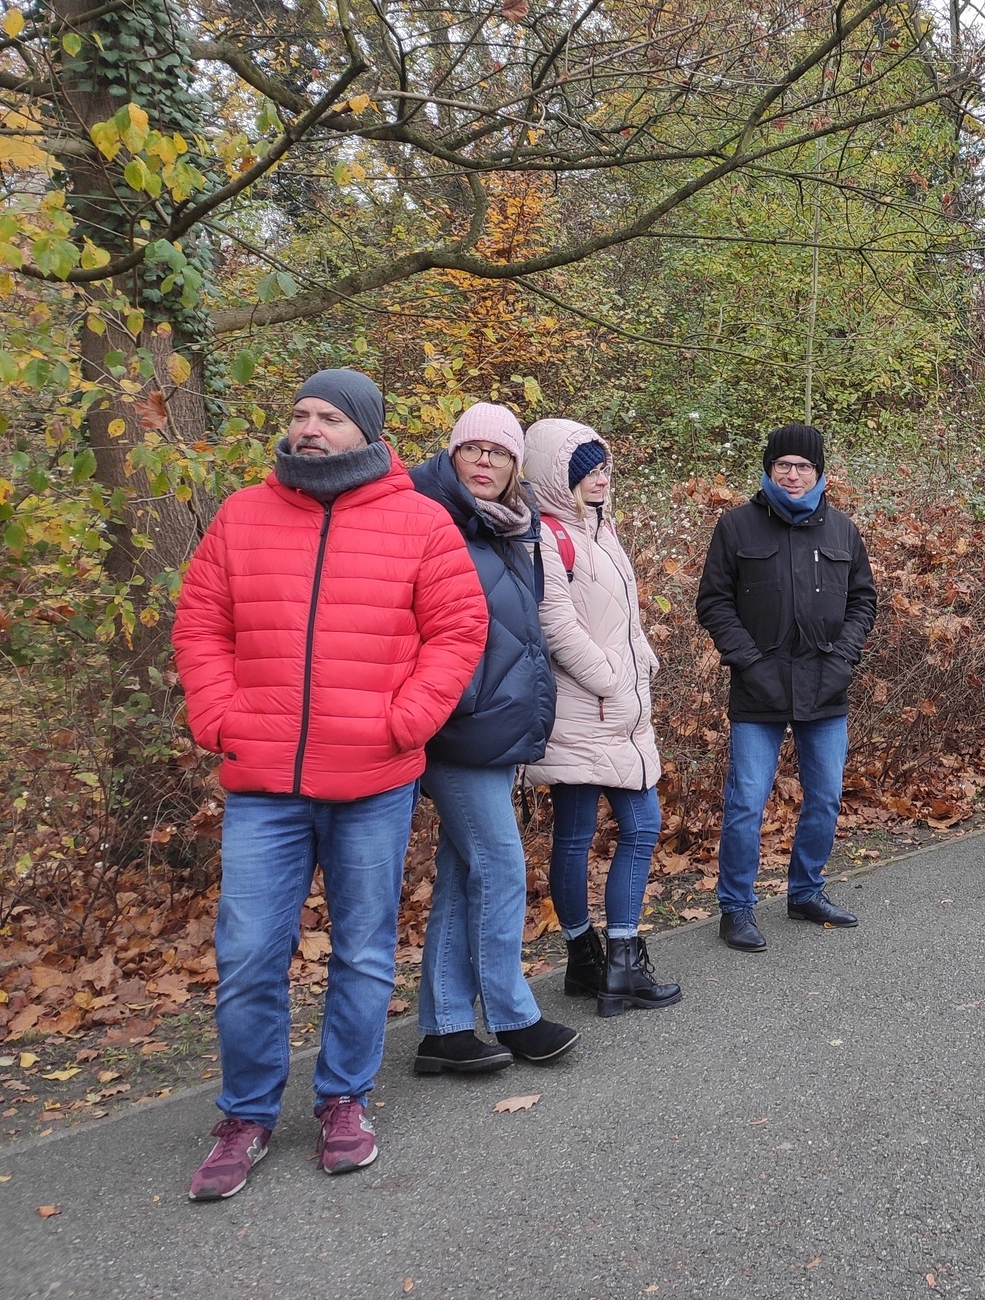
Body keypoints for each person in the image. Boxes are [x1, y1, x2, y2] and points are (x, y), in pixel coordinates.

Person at [173, 369, 488, 1201]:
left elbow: (458, 630)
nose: (309, 428)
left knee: (363, 951)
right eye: (301, 414)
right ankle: (246, 1114)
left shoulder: (420, 521)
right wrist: (218, 715)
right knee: (247, 956)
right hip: (264, 782)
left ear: (367, 431)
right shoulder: (243, 514)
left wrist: (405, 719)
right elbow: (201, 621)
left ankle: (344, 1099)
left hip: (375, 777)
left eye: (329, 417)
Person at [410, 404, 580, 1075]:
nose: (483, 461)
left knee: (461, 873)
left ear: (515, 467)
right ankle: (513, 1015)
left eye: (498, 452)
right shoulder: (432, 521)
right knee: (502, 867)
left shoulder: (511, 528)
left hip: (495, 725)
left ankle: (445, 1030)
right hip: (455, 728)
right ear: (452, 456)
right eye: (471, 449)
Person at [695, 423, 879, 952]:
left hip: (826, 685)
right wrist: (748, 661)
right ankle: (735, 907)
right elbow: (714, 603)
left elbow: (863, 601)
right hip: (759, 687)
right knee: (748, 802)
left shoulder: (842, 530)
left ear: (819, 473)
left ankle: (805, 891)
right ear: (768, 470)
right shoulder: (736, 527)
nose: (793, 475)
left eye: (804, 466)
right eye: (784, 466)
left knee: (823, 797)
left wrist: (843, 656)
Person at [524, 419, 679, 1017]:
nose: (598, 479)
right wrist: (613, 678)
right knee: (587, 834)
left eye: (603, 467)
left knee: (629, 827)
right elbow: (555, 624)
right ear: (554, 478)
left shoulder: (601, 529)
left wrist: (645, 658)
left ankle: (601, 962)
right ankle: (603, 962)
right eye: (582, 470)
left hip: (618, 706)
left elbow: (622, 617)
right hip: (584, 707)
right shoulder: (546, 536)